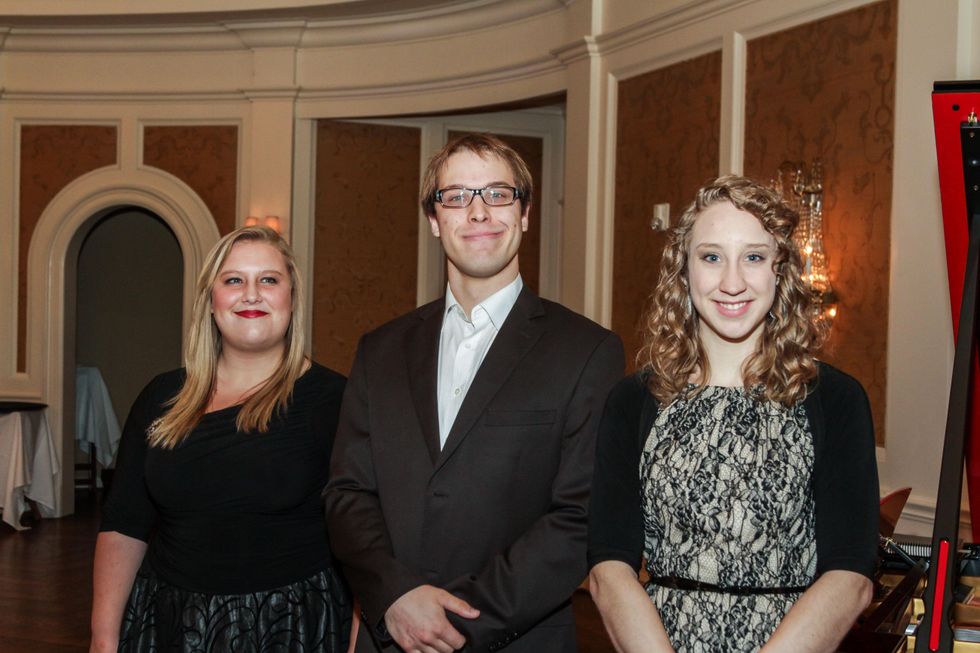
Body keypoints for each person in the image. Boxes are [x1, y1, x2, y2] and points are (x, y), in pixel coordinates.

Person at [324, 133, 625, 653]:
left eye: (498, 194)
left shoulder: (587, 351)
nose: (479, 212)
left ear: (525, 213)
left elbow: (578, 517)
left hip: (514, 639)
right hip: (389, 634)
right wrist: (395, 596)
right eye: (458, 196)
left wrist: (452, 624)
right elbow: (348, 494)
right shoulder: (380, 350)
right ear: (434, 220)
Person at [587, 176, 878, 653]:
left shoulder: (835, 400)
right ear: (683, 271)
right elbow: (608, 569)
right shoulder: (632, 400)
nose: (732, 282)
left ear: (779, 271)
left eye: (754, 257)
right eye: (711, 257)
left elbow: (850, 577)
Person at [90, 225, 351, 653]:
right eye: (234, 280)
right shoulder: (162, 396)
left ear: (292, 299)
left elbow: (360, 535)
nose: (251, 294)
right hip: (168, 619)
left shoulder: (334, 400)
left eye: (268, 280)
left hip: (289, 624)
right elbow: (124, 523)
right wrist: (103, 637)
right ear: (211, 302)